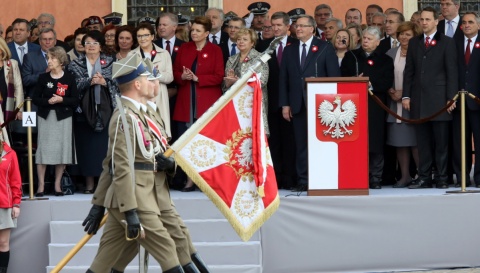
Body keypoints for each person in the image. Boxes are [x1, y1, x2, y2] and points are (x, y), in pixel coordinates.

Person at [83, 55, 185, 273]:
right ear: (137, 84)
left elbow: (112, 164)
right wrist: (129, 210)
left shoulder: (141, 115)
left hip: (144, 192)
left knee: (111, 258)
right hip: (134, 197)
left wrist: (99, 203)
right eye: (148, 79)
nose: (154, 83)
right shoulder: (125, 117)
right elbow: (119, 167)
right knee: (167, 248)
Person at [279, 14, 341, 192]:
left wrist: (332, 104)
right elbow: (284, 79)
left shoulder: (324, 47)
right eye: (296, 26)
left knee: (321, 143)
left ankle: (322, 178)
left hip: (321, 106)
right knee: (300, 144)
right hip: (297, 104)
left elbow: (333, 77)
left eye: (302, 26)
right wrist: (285, 104)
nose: (298, 29)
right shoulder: (290, 50)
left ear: (312, 29)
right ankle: (303, 179)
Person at [402, 7, 458, 189]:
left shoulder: (447, 42)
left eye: (428, 19)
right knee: (423, 143)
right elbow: (408, 71)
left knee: (441, 143)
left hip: (440, 100)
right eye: (421, 20)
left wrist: (451, 98)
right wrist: (406, 95)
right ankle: (424, 177)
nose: (424, 23)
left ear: (436, 21)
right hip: (418, 99)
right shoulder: (414, 42)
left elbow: (452, 73)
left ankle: (442, 177)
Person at [173, 16, 224, 192]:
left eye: (198, 31)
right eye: (192, 30)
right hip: (186, 102)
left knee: (207, 142)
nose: (193, 33)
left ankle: (207, 181)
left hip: (207, 103)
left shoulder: (215, 50)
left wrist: (198, 78)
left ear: (207, 33)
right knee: (187, 143)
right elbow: (175, 71)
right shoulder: (184, 48)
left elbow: (219, 76)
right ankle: (189, 180)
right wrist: (182, 76)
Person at [341, 26, 394, 189]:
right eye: (364, 38)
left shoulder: (385, 60)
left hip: (375, 104)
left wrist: (370, 84)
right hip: (352, 104)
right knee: (355, 139)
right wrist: (353, 81)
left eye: (369, 39)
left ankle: (375, 177)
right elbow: (342, 77)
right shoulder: (351, 57)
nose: (365, 41)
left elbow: (386, 82)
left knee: (375, 140)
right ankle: (356, 174)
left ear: (378, 42)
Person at [68, 30, 119, 194]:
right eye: (87, 43)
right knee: (86, 148)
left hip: (105, 110)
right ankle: (89, 184)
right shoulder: (75, 64)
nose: (91, 46)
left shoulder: (110, 62)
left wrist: (105, 82)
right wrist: (90, 81)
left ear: (101, 46)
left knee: (103, 148)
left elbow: (118, 84)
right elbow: (72, 85)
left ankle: (103, 184)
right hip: (82, 111)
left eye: (94, 43)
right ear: (83, 46)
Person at [256, 11, 298, 190]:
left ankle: (291, 178)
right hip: (271, 101)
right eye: (273, 25)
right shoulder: (264, 45)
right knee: (273, 143)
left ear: (288, 27)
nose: (276, 28)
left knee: (291, 142)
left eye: (279, 25)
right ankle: (276, 179)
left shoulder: (296, 44)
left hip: (292, 101)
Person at [32, 46, 79, 196]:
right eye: (48, 58)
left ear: (61, 60)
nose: (49, 61)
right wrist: (49, 102)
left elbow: (75, 100)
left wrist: (61, 99)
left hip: (64, 119)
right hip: (46, 118)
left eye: (52, 58)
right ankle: (40, 186)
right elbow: (35, 98)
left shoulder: (69, 78)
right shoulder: (43, 78)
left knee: (62, 152)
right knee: (43, 152)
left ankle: (58, 184)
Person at [385, 22, 421, 188]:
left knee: (416, 142)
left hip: (413, 103)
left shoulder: (420, 52)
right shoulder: (390, 53)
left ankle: (422, 175)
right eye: (401, 34)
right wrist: (391, 90)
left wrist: (406, 93)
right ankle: (405, 176)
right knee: (400, 141)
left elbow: (421, 77)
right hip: (394, 104)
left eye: (408, 34)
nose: (404, 37)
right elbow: (383, 75)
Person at [130, 22, 173, 139]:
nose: (142, 39)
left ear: (152, 36)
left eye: (146, 35)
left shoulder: (164, 54)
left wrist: (155, 73)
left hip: (159, 96)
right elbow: (129, 79)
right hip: (140, 96)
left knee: (161, 132)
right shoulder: (132, 54)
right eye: (139, 36)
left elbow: (170, 77)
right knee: (143, 133)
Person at [453, 12, 480, 187]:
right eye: (464, 22)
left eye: (470, 22)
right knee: (459, 143)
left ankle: (478, 177)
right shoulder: (454, 44)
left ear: (478, 25)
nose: (467, 25)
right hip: (458, 102)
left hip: (477, 101)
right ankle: (462, 178)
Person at [223, 28, 269, 132]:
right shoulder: (231, 59)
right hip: (235, 104)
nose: (241, 42)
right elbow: (224, 86)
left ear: (252, 43)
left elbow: (262, 81)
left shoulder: (260, 58)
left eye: (245, 39)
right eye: (239, 39)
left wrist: (238, 81)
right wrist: (228, 82)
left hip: (253, 103)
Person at [0, 133, 21, 273]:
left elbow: (16, 181)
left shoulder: (10, 153)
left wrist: (16, 204)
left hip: (4, 203)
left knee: (3, 243)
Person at [22, 27, 56, 98]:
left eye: (50, 39)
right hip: (37, 100)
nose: (47, 42)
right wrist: (45, 73)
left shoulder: (63, 57)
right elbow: (26, 80)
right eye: (44, 39)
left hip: (58, 100)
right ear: (40, 41)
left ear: (55, 41)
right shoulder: (29, 57)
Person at [0, 37, 23, 137]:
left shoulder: (12, 64)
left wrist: (19, 110)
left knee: (6, 132)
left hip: (7, 103)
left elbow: (18, 88)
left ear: (2, 49)